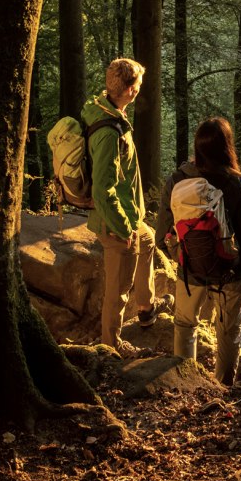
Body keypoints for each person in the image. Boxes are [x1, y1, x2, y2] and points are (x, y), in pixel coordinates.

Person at [158, 116, 241, 386]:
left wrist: (181, 255)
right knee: (228, 332)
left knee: (184, 325)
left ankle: (185, 383)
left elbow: (162, 233)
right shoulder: (238, 183)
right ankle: (223, 387)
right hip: (231, 270)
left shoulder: (177, 179)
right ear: (228, 147)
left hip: (190, 267)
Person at [84, 57, 168, 353]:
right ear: (130, 89)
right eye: (139, 85)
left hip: (131, 218)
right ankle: (110, 347)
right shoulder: (108, 132)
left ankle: (146, 308)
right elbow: (103, 188)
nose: (140, 90)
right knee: (118, 291)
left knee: (147, 241)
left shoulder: (110, 112)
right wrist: (122, 227)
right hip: (116, 223)